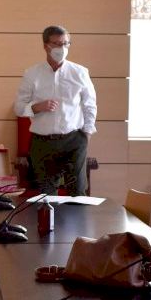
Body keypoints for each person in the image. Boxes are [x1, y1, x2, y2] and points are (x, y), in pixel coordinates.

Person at [13, 25, 97, 196]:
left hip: (74, 140)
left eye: (66, 43)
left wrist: (86, 134)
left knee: (78, 193)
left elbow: (90, 105)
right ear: (46, 46)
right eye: (57, 44)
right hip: (43, 143)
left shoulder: (80, 72)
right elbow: (19, 108)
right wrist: (37, 107)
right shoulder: (32, 74)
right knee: (46, 196)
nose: (62, 48)